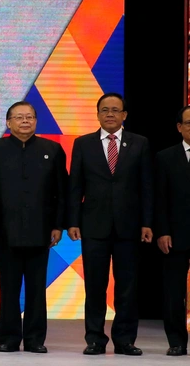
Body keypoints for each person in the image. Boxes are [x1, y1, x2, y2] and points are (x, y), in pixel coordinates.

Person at [67, 92, 153, 356]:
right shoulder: (83, 144)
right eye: (105, 110)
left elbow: (147, 186)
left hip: (129, 226)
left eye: (116, 110)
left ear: (124, 115)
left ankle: (125, 339)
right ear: (97, 114)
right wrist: (72, 221)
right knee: (95, 285)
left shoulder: (140, 143)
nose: (110, 114)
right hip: (94, 225)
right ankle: (95, 339)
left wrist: (147, 223)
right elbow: (75, 186)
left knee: (127, 286)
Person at [0, 101, 67, 353]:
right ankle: (8, 338)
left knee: (36, 289)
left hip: (41, 231)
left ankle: (34, 339)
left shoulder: (52, 149)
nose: (25, 121)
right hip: (4, 232)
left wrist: (58, 225)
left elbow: (61, 192)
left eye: (30, 117)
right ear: (8, 123)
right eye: (19, 117)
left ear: (36, 121)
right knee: (7, 288)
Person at [154, 105, 190, 356]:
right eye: (189, 122)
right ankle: (176, 341)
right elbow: (159, 199)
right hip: (175, 235)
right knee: (174, 293)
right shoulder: (165, 157)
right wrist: (162, 231)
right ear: (179, 128)